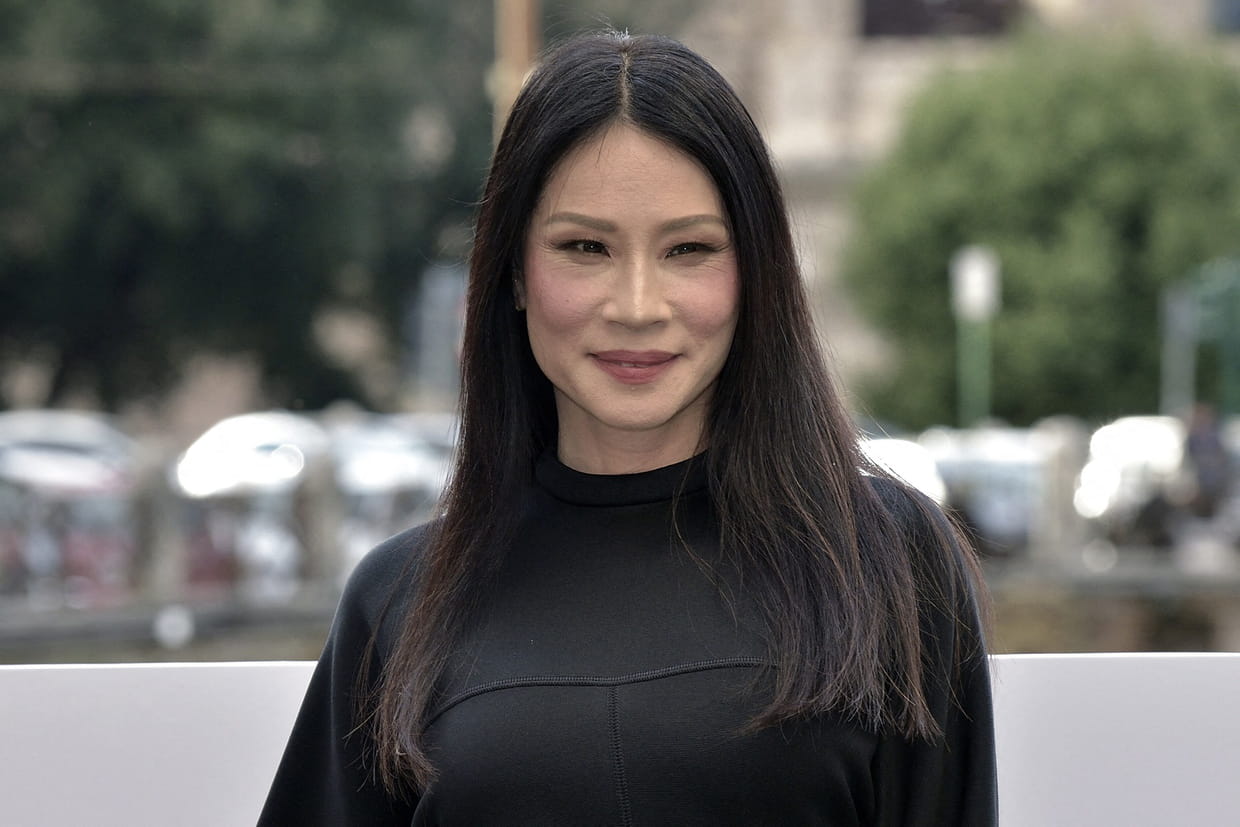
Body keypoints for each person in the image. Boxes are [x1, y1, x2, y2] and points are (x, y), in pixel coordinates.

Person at [260, 31, 997, 826]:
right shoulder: (400, 605)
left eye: (689, 249)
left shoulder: (889, 562)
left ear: (755, 271)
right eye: (585, 247)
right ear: (514, 270)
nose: (638, 305)